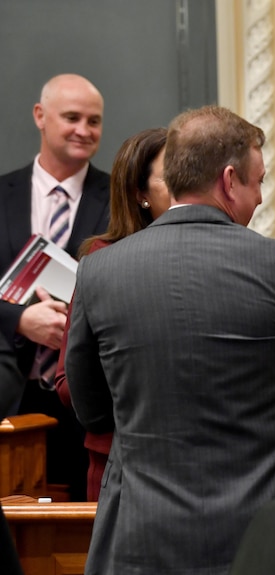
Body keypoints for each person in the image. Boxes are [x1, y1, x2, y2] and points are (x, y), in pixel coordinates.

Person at [65, 105, 275, 575]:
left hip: (140, 530)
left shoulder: (99, 269)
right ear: (230, 181)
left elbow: (91, 410)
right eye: (258, 182)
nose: (257, 197)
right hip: (261, 531)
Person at [0, 73, 109, 500]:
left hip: (82, 398)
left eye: (94, 121)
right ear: (40, 116)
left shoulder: (119, 198)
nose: (84, 130)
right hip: (9, 394)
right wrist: (20, 319)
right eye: (72, 117)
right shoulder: (1, 194)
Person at [53, 127, 169, 502]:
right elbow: (67, 382)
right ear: (140, 194)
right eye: (172, 177)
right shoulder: (101, 261)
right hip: (118, 461)